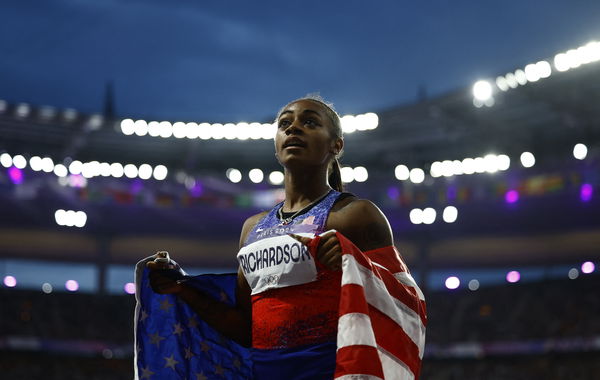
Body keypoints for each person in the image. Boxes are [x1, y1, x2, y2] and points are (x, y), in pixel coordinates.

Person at [146, 96, 425, 379]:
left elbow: (408, 306)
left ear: (336, 145)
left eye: (310, 122)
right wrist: (182, 288)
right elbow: (246, 329)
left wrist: (354, 261)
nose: (294, 128)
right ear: (276, 146)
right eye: (285, 123)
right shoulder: (251, 229)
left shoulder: (356, 215)